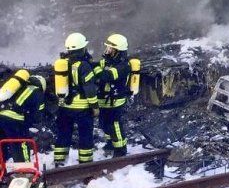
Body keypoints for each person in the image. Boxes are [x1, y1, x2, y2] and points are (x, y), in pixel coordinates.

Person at [53, 32, 100, 166]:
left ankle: (59, 160)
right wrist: (95, 106)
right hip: (82, 108)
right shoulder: (84, 66)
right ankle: (85, 163)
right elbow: (89, 88)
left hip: (64, 107)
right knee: (85, 134)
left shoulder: (62, 63)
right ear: (82, 48)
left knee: (63, 133)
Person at [97, 33, 140, 158]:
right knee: (104, 124)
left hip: (116, 100)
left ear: (118, 51)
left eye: (111, 49)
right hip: (105, 100)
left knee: (115, 124)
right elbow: (98, 67)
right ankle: (110, 143)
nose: (108, 51)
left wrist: (96, 71)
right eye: (108, 48)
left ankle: (120, 149)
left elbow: (107, 76)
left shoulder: (123, 66)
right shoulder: (107, 62)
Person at [0, 70, 46, 162]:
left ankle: (2, 170)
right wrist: (32, 124)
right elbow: (37, 115)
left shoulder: (19, 87)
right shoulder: (37, 91)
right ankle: (24, 170)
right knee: (21, 143)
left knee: (2, 144)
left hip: (1, 115)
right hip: (14, 120)